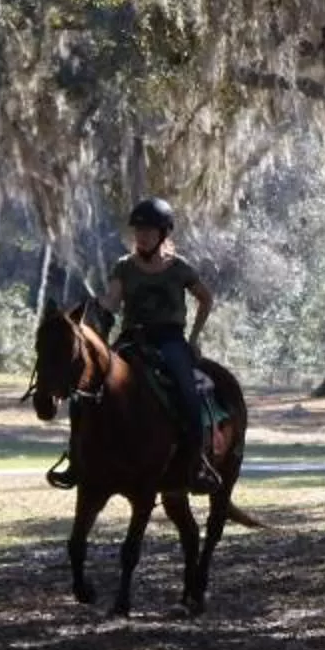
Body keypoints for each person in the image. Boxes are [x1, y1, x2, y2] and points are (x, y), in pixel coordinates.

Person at [98, 196, 220, 491]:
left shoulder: (179, 268)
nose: (142, 237)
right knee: (94, 386)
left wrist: (193, 337)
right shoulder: (124, 267)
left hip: (169, 339)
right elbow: (113, 301)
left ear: (163, 234)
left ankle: (197, 462)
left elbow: (205, 298)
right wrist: (97, 310)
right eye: (138, 231)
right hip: (131, 338)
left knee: (186, 390)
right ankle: (79, 458)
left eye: (149, 231)